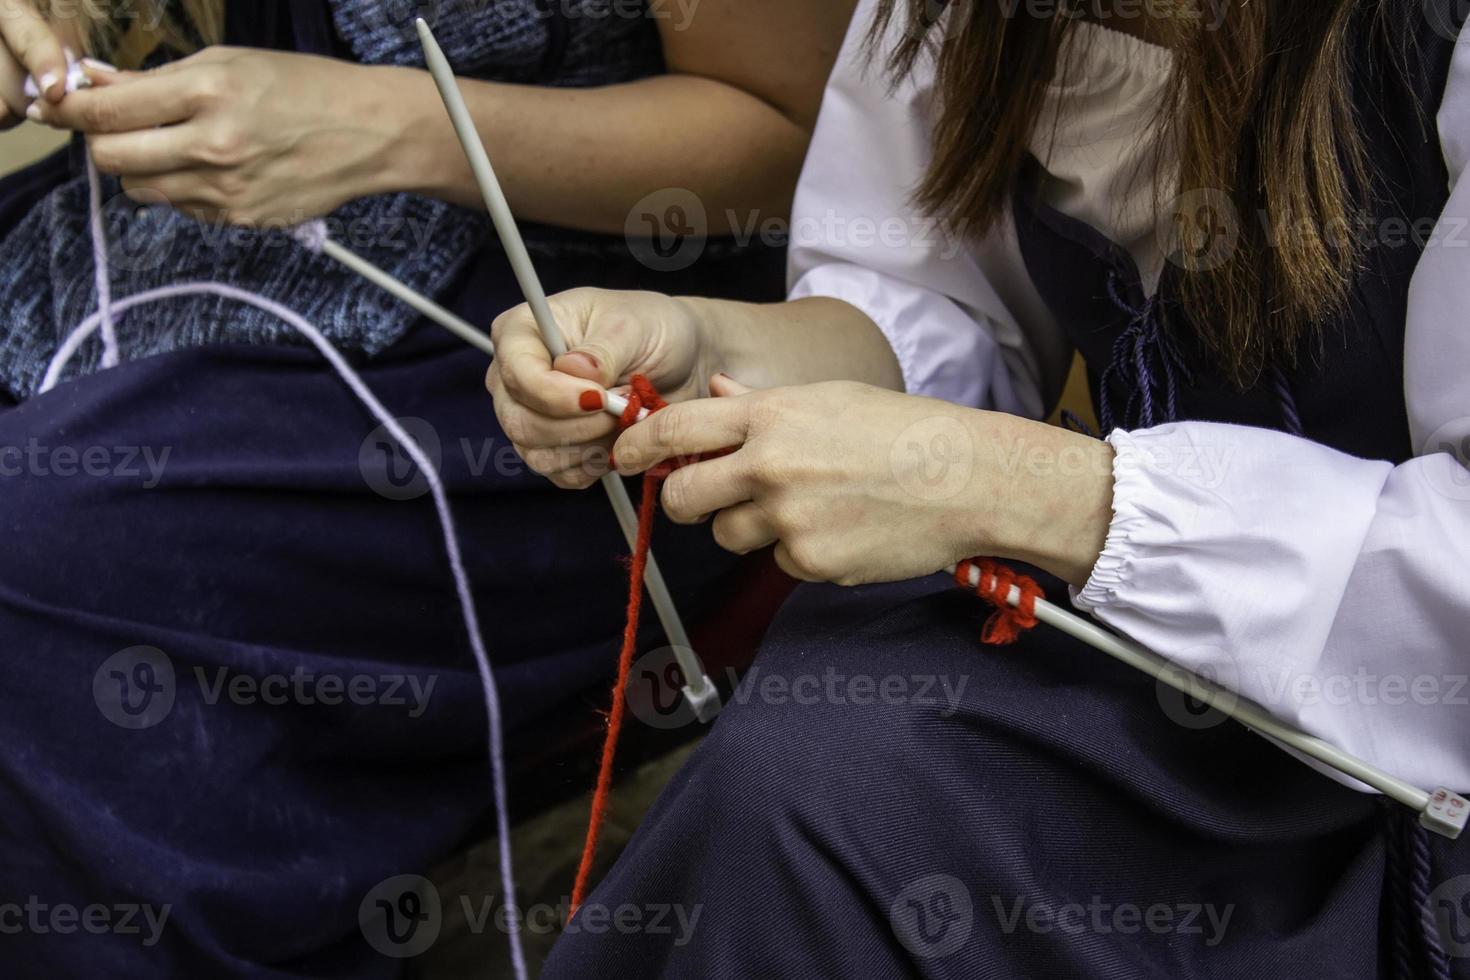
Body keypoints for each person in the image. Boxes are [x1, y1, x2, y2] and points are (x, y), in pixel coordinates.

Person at [487, 0, 1470, 975]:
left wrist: (1006, 482)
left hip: (1407, 781)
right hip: (1158, 680)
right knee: (808, 775)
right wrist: (711, 345)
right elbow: (945, 304)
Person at [0, 0, 853, 974]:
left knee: (36, 554)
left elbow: (788, 135)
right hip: (155, 234)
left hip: (563, 337)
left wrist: (391, 124)